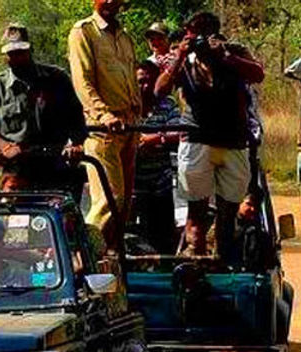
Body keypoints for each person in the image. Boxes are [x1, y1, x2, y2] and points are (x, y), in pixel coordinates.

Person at [155, 11, 265, 257]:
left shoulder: (233, 51)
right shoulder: (183, 57)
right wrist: (181, 55)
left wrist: (225, 56)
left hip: (234, 141)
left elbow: (258, 75)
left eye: (202, 34)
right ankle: (197, 262)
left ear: (215, 34)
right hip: (196, 140)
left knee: (228, 213)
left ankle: (221, 263)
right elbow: (159, 90)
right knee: (196, 213)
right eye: (193, 34)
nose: (199, 40)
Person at [0, 24, 87, 194]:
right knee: (17, 217)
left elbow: (76, 117)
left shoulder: (57, 79)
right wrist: (4, 146)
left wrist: (76, 144)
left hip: (57, 165)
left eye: (21, 51)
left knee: (62, 216)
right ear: (4, 55)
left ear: (30, 49)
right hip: (17, 170)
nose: (17, 57)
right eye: (11, 53)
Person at [68, 0, 142, 252]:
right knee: (109, 201)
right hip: (104, 131)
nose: (111, 1)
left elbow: (131, 78)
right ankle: (82, 256)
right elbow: (82, 81)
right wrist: (104, 115)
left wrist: (137, 114)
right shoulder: (83, 31)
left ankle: (112, 260)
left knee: (124, 206)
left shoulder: (124, 36)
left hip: (130, 128)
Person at [132, 60, 184, 253]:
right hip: (132, 184)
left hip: (160, 183)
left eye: (149, 81)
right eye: (140, 81)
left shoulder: (167, 104)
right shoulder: (126, 104)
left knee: (163, 237)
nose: (144, 86)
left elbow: (180, 132)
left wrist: (156, 139)